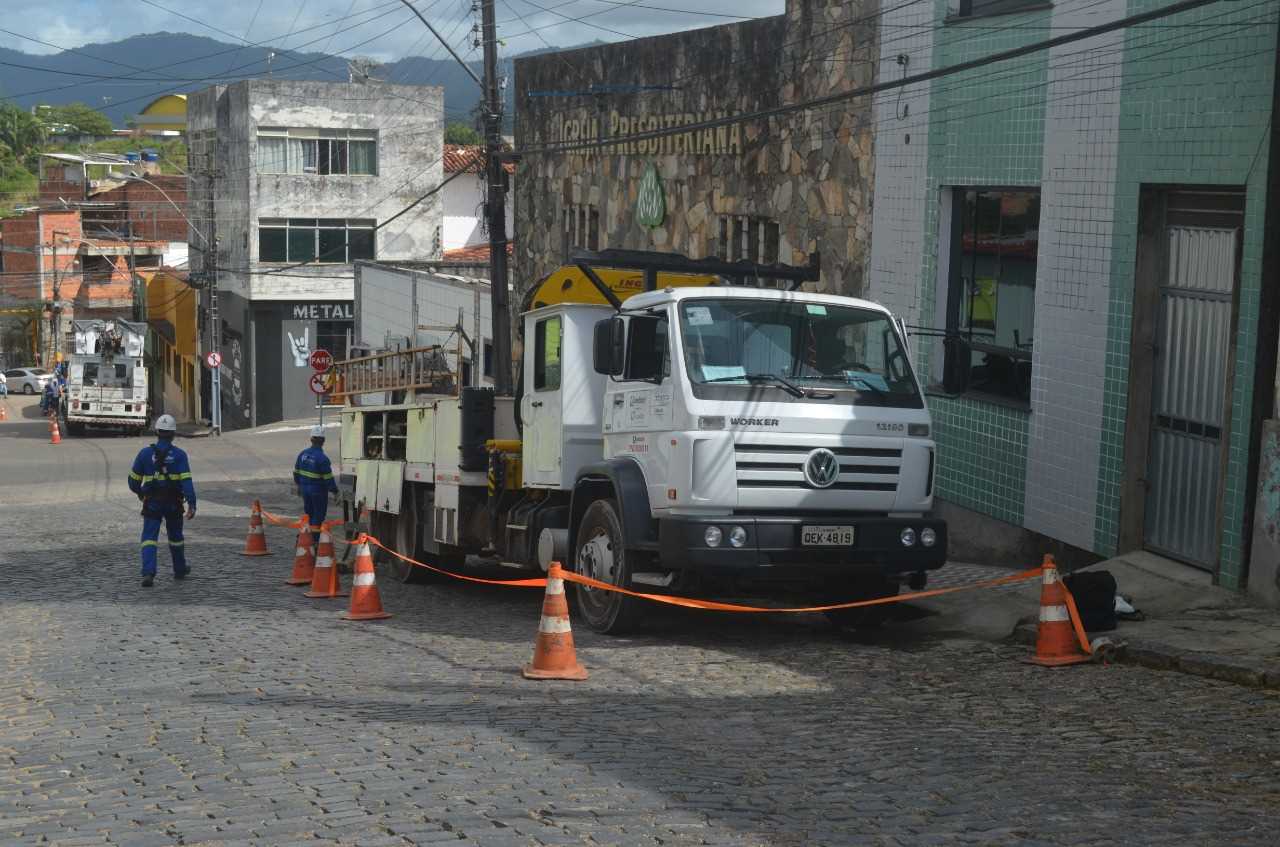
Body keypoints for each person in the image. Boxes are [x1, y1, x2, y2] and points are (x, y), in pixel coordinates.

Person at [128, 414, 196, 587]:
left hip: (152, 502)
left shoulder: (144, 454)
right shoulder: (180, 455)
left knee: (149, 537)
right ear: (173, 434)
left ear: (157, 432)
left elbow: (133, 481)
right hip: (174, 503)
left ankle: (148, 573)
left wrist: (140, 493)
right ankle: (179, 569)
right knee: (176, 537)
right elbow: (186, 482)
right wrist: (192, 504)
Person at [294, 425, 338, 529]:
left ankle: (307, 536)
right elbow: (329, 479)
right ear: (323, 441)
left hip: (305, 490)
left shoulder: (303, 454)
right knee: (318, 516)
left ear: (311, 439)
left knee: (309, 514)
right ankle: (314, 537)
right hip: (318, 491)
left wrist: (299, 486)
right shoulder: (323, 458)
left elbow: (296, 472)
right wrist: (335, 492)